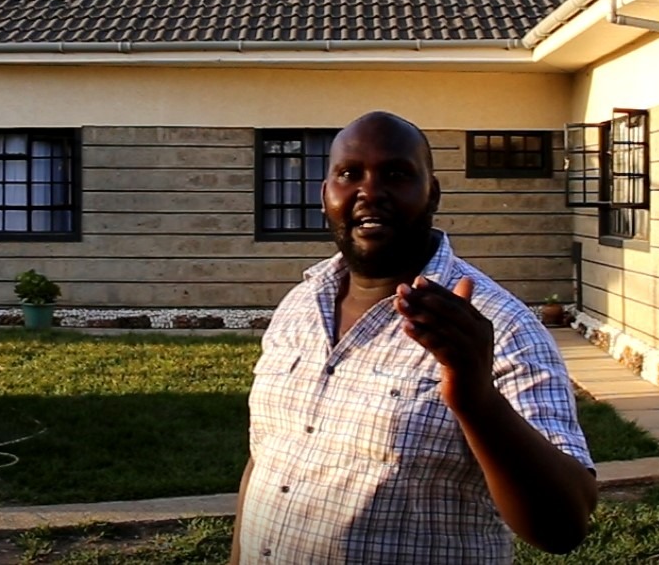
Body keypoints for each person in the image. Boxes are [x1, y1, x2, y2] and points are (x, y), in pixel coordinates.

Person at [230, 111, 598, 564]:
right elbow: (267, 457)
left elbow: (564, 525)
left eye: (397, 174)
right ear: (325, 194)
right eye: (349, 174)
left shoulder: (499, 327)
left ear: (432, 194)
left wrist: (477, 399)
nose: (370, 192)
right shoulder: (300, 305)